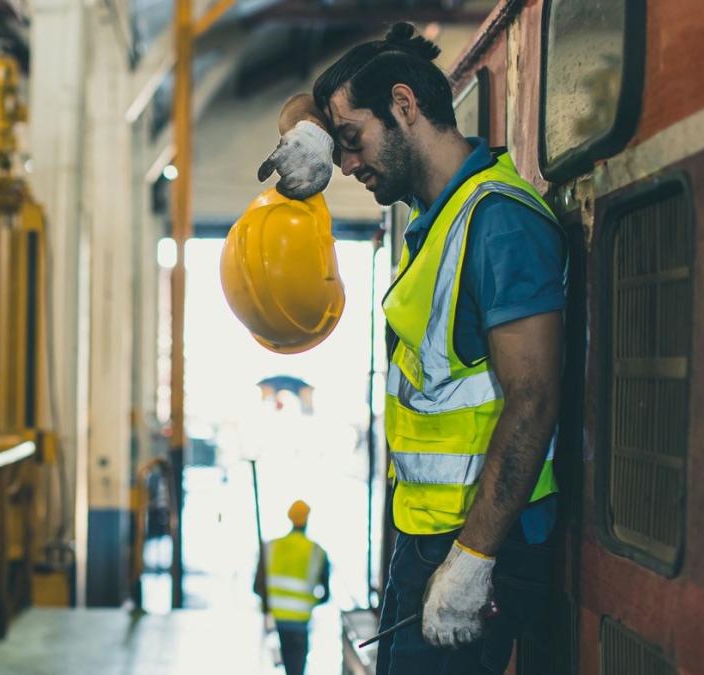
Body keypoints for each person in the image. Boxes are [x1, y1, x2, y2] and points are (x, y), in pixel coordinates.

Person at [257, 23, 566, 675]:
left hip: (480, 547)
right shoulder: (437, 221)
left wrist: (473, 559)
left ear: (404, 105)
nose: (346, 165)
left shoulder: (497, 221)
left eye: (349, 141)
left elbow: (534, 399)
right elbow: (314, 105)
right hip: (427, 541)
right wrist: (315, 129)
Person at [254, 500, 330, 675]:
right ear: (307, 520)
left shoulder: (270, 547)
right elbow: (325, 595)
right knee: (296, 671)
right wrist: (309, 603)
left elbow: (257, 588)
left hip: (273, 622)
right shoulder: (317, 552)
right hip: (299, 625)